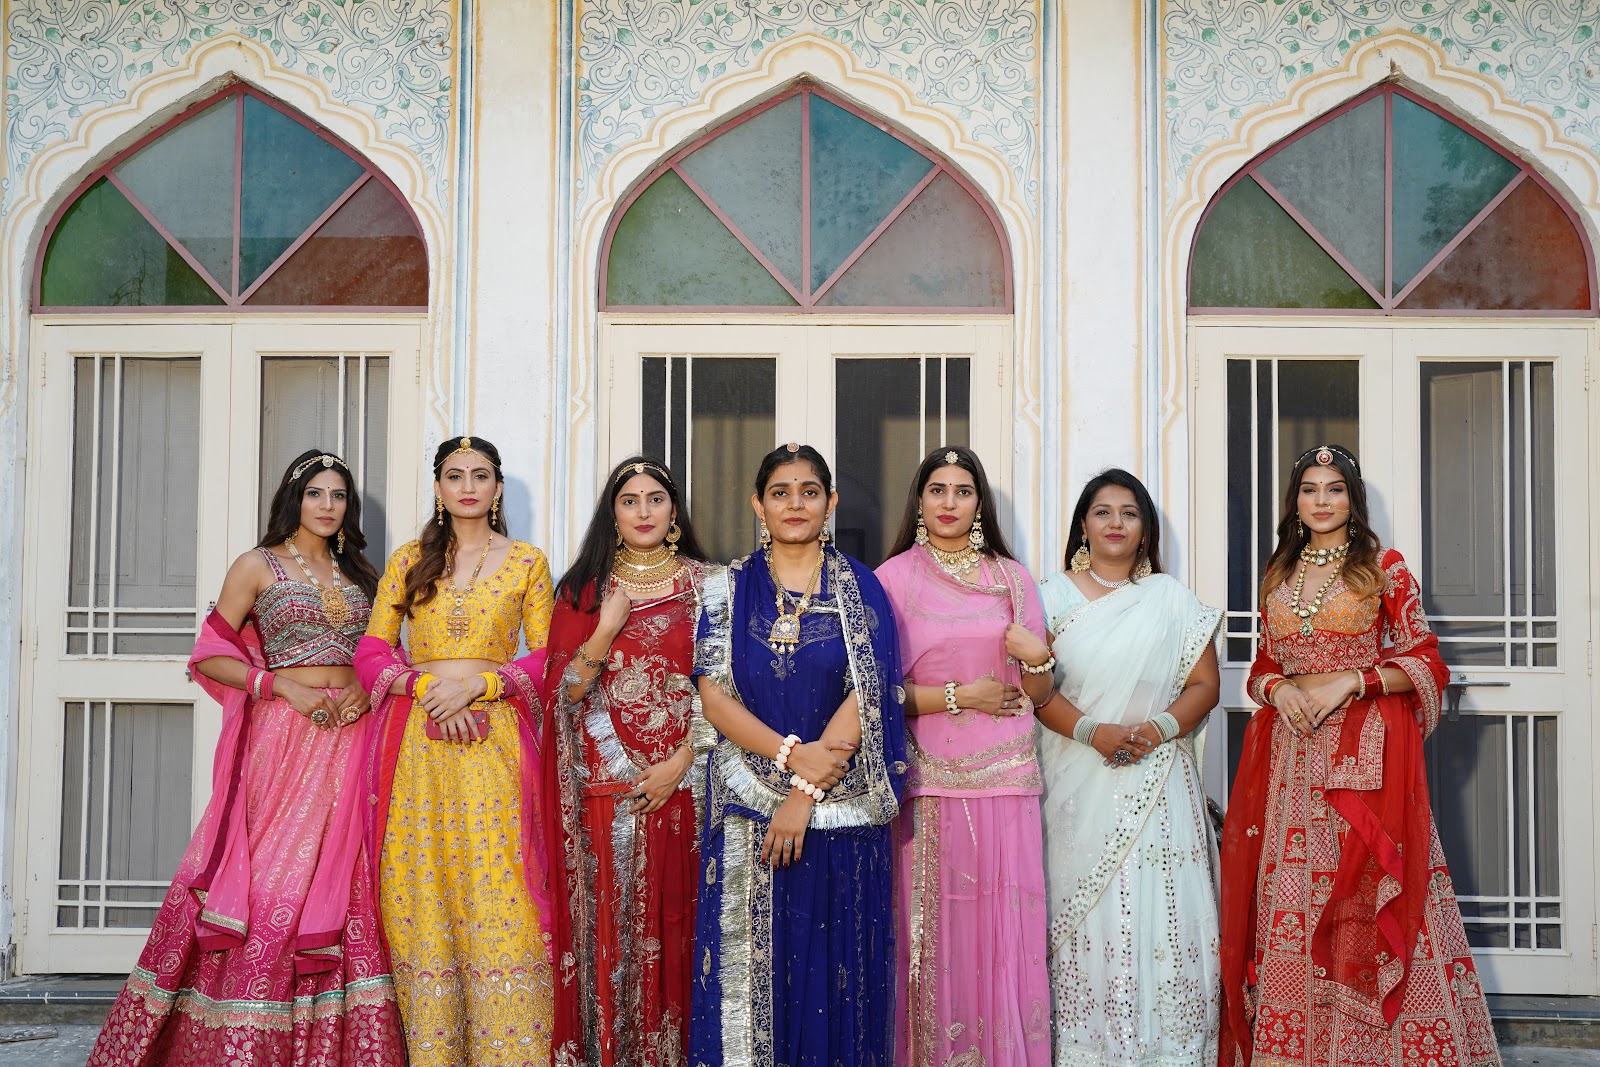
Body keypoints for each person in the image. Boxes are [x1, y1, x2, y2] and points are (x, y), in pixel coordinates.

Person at [89, 450, 405, 1066]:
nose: (327, 505)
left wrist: (369, 691)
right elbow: (208, 654)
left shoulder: (365, 575)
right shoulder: (258, 565)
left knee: (349, 884)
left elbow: (384, 652)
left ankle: (335, 1047)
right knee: (271, 882)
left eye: (339, 495)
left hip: (354, 740)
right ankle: (243, 1037)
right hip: (285, 742)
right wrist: (279, 686)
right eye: (315, 493)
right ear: (293, 498)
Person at [1217, 444, 1501, 1067]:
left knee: (1367, 895)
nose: (1321, 500)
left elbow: (1427, 663)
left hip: (1364, 761)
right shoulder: (1278, 574)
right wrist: (1280, 689)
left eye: (1335, 488)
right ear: (1294, 501)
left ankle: (1381, 1051)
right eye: (1309, 489)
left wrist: (1353, 681)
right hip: (1293, 763)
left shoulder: (1383, 568)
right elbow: (1263, 667)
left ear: (1354, 498)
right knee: (1298, 901)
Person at [688, 443, 907, 1067]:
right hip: (746, 806)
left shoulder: (860, 586)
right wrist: (789, 758)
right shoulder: (726, 589)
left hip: (839, 813)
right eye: (780, 492)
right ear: (758, 505)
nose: (795, 504)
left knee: (836, 981)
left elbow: (868, 691)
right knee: (749, 983)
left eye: (809, 492)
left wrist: (803, 794)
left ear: (830, 503)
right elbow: (714, 696)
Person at [354, 436, 555, 1067]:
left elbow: (546, 657)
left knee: (502, 889)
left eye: (480, 475)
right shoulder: (410, 560)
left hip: (495, 742)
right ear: (439, 489)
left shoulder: (527, 562)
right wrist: (428, 689)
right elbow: (371, 652)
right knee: (422, 889)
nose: (468, 486)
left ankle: (512, 1051)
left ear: (498, 488)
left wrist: (478, 687)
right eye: (454, 475)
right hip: (418, 746)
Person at [1034, 468, 1223, 1066]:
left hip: (1158, 780)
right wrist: (1094, 733)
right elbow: (1034, 692)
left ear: (1146, 530)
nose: (1115, 522)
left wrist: (1156, 729)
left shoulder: (1170, 598)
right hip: (1075, 780)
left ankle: (1169, 1050)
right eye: (1103, 512)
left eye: (1129, 513)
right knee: (1089, 913)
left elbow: (1205, 685)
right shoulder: (1047, 597)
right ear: (1083, 526)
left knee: (1161, 912)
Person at [875, 446, 1053, 1067]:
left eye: (963, 491)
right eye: (938, 490)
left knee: (1001, 936)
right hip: (927, 782)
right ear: (919, 501)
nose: (949, 503)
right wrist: (962, 695)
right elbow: (874, 693)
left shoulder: (1012, 579)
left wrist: (1038, 658)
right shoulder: (891, 578)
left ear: (980, 505)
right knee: (932, 938)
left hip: (1005, 781)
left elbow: (1040, 694)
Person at [542, 457, 714, 1067]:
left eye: (655, 499)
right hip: (607, 790)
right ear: (612, 515)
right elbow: (562, 694)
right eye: (629, 500)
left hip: (691, 783)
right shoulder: (584, 590)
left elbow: (730, 689)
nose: (644, 511)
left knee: (685, 931)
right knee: (611, 936)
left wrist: (681, 763)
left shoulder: (711, 586)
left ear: (674, 510)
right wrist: (603, 629)